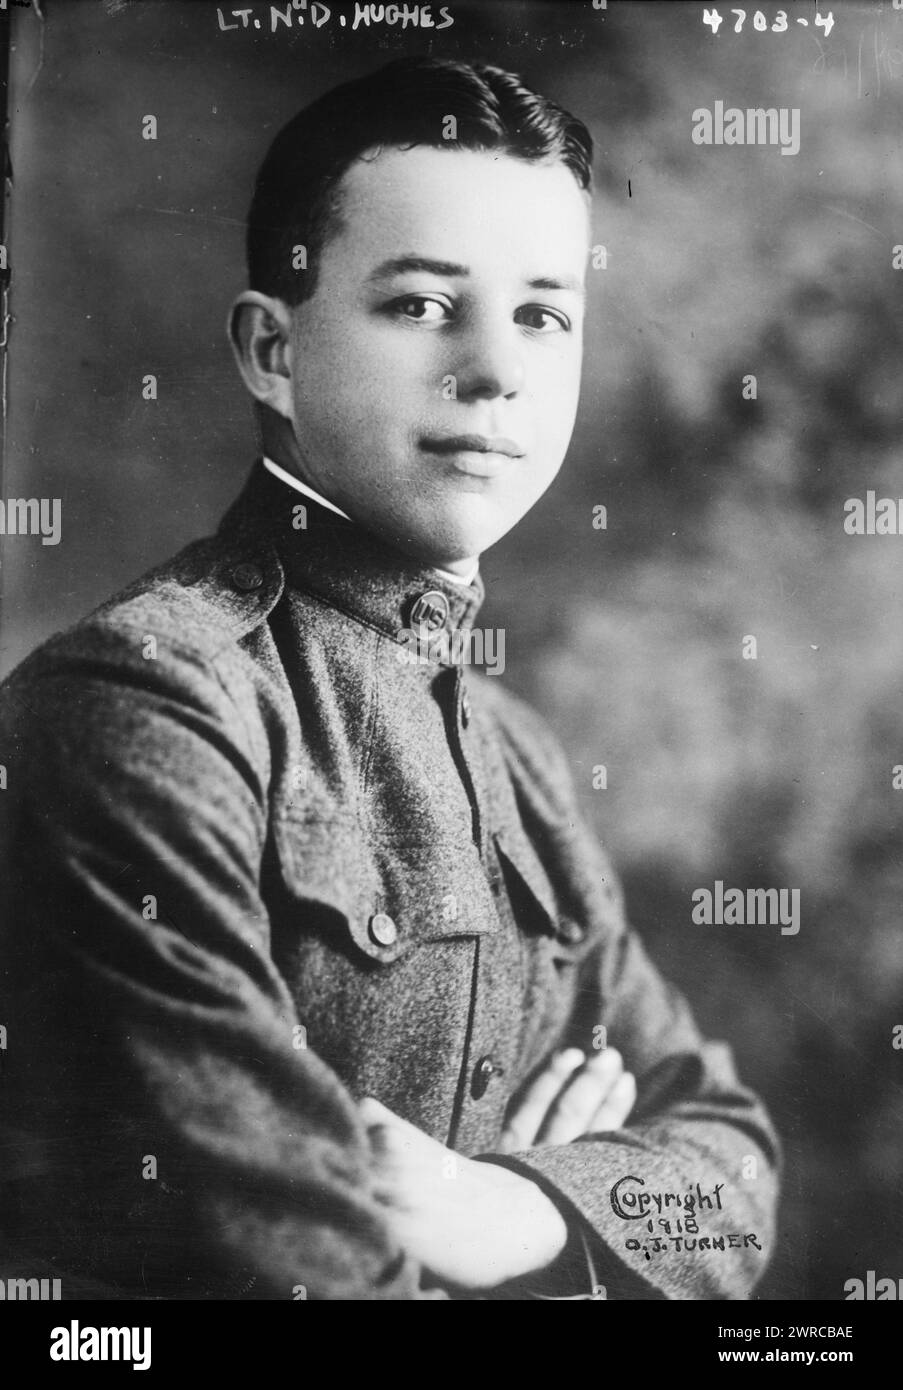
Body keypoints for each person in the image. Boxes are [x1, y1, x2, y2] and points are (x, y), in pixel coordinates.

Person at [0, 56, 779, 1300]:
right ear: (272, 349)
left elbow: (735, 1168)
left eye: (541, 313)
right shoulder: (148, 707)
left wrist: (509, 1210)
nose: (496, 370)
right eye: (421, 305)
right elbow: (283, 1269)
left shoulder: (520, 756)